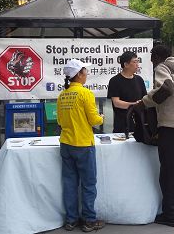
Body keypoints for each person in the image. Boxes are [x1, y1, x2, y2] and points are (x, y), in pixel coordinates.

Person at [137, 44, 174, 228]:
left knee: (169, 172)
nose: (151, 61)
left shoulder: (162, 67)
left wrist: (145, 102)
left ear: (156, 56)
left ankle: (171, 215)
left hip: (172, 125)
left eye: (152, 57)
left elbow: (166, 88)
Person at [57, 59, 105, 232]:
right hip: (83, 144)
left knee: (70, 183)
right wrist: (101, 118)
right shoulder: (86, 94)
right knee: (88, 184)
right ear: (78, 74)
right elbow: (94, 120)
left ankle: (71, 220)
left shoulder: (63, 95)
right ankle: (89, 220)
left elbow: (60, 121)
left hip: (66, 144)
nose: (87, 75)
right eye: (85, 72)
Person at [107, 51, 147, 133]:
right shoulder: (115, 81)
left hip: (140, 124)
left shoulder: (139, 80)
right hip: (122, 126)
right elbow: (116, 102)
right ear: (126, 65)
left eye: (138, 61)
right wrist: (135, 105)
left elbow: (144, 98)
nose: (137, 64)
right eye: (134, 62)